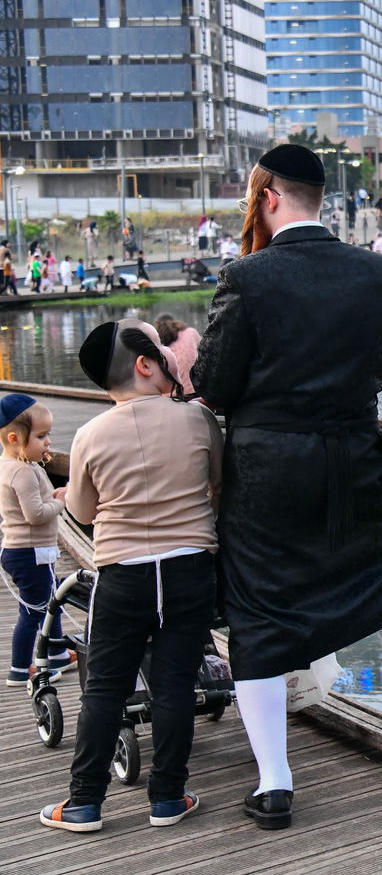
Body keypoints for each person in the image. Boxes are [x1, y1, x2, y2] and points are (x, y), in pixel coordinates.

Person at [191, 144, 382, 831]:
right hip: (353, 449)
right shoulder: (377, 271)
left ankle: (275, 781)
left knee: (259, 604)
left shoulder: (246, 276)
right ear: (320, 196)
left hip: (270, 464)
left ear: (269, 196)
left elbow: (215, 385)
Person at [38, 320, 221, 832]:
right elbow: (217, 486)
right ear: (145, 364)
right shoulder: (199, 420)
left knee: (104, 690)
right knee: (176, 687)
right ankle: (167, 798)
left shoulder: (90, 435)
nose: (169, 353)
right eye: (160, 347)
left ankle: (83, 803)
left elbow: (84, 510)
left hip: (123, 574)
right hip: (189, 570)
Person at [0, 394, 72, 688]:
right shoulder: (22, 472)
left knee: (50, 599)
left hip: (31, 551)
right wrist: (62, 502)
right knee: (33, 611)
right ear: (16, 438)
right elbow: (35, 515)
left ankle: (55, 651)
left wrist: (51, 496)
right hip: (29, 552)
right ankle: (19, 668)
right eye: (41, 436)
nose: (48, 443)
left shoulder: (13, 465)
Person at [154, 313, 202, 395]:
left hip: (176, 394)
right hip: (199, 388)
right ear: (175, 322)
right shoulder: (191, 332)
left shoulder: (159, 344)